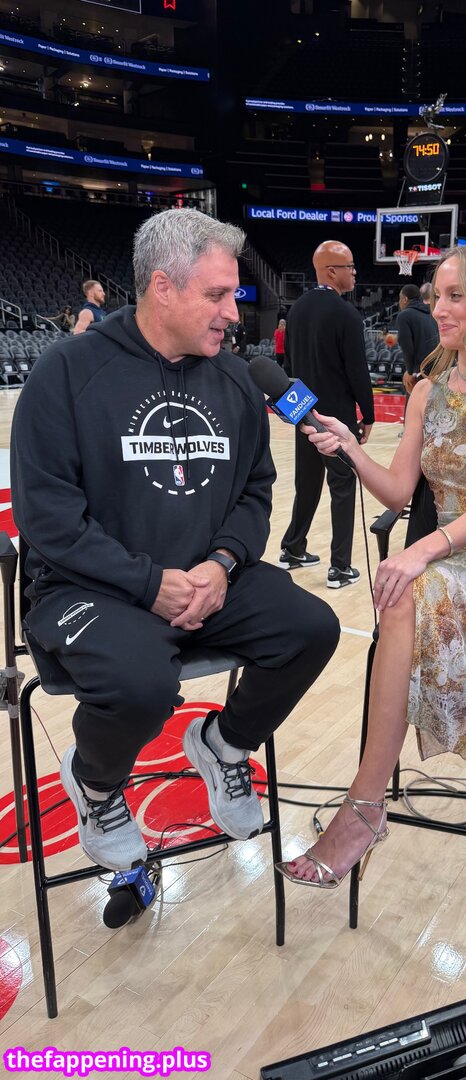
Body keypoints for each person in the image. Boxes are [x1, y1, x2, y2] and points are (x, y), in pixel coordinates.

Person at [11, 208, 340, 874]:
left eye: (233, 295)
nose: (232, 313)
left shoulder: (236, 380)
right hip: (88, 588)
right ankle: (96, 784)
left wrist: (221, 563)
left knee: (311, 627)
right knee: (140, 684)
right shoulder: (67, 373)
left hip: (206, 581)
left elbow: (254, 492)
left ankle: (224, 744)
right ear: (162, 287)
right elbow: (47, 517)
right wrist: (147, 583)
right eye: (216, 295)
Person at [276, 244, 466, 889]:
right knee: (440, 607)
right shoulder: (426, 391)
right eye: (438, 295)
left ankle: (363, 807)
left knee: (409, 588)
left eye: (455, 296)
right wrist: (350, 447)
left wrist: (422, 549)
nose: (438, 308)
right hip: (459, 556)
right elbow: (398, 493)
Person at [279, 241, 375, 589]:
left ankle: (292, 549)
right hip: (336, 417)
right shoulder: (346, 315)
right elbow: (357, 371)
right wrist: (369, 415)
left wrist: (294, 411)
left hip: (302, 410)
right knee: (343, 486)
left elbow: (288, 366)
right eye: (350, 266)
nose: (355, 272)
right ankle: (340, 567)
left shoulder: (296, 310)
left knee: (306, 484)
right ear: (332, 271)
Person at [396, 283, 440, 396]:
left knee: (414, 405)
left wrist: (410, 371)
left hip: (420, 372)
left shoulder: (404, 316)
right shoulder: (432, 314)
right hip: (438, 369)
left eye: (400, 298)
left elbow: (407, 347)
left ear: (405, 299)